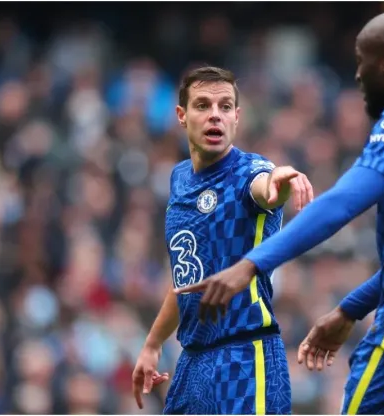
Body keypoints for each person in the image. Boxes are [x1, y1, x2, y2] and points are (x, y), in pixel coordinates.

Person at [176, 10, 384, 415]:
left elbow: (341, 203)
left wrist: (249, 265)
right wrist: (348, 309)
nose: (358, 75)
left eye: (363, 61)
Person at [132, 66, 314, 415]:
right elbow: (187, 278)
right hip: (192, 363)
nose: (215, 114)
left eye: (225, 106)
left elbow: (266, 186)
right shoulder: (179, 178)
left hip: (246, 357)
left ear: (237, 117)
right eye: (202, 105)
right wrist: (152, 345)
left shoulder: (249, 172)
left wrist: (281, 178)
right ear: (182, 116)